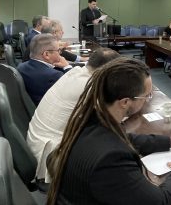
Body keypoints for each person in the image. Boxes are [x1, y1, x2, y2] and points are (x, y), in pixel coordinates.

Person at [46, 58, 171, 205]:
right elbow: (163, 201)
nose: (147, 99)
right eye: (146, 96)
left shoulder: (88, 119)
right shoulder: (110, 159)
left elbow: (127, 139)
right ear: (125, 102)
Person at [27, 48, 120, 180]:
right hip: (50, 155)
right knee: (110, 152)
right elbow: (111, 118)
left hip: (37, 142)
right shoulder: (90, 86)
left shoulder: (76, 72)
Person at [18, 34, 72, 105]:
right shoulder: (54, 75)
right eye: (58, 50)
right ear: (46, 54)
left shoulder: (20, 66)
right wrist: (67, 66)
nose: (60, 53)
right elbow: (73, 89)